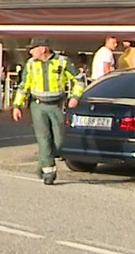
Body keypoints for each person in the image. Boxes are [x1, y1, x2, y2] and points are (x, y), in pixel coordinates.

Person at [12, 38, 85, 186]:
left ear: (43, 49)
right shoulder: (30, 64)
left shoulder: (62, 62)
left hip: (56, 105)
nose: (30, 52)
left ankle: (42, 164)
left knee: (58, 140)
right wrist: (17, 105)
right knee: (44, 139)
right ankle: (49, 173)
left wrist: (75, 97)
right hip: (38, 105)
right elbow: (23, 85)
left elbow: (79, 79)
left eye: (33, 49)